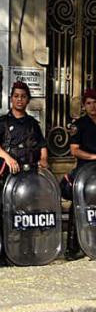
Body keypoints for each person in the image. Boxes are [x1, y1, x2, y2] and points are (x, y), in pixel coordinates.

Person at [0, 81, 47, 265]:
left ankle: (26, 251)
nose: (19, 99)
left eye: (23, 96)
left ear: (27, 100)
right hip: (8, 175)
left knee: (28, 214)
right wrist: (7, 158)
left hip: (29, 176)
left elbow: (42, 145)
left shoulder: (32, 124)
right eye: (16, 96)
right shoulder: (2, 122)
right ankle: (3, 254)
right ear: (11, 99)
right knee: (5, 213)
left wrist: (44, 161)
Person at [64, 88, 96, 259]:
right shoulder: (79, 125)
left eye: (95, 102)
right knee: (78, 204)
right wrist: (93, 156)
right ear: (84, 106)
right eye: (89, 103)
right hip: (85, 170)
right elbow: (74, 150)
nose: (93, 106)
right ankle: (72, 247)